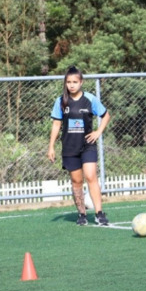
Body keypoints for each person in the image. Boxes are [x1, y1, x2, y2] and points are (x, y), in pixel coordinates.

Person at [47, 66, 112, 226]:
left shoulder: (90, 99)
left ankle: (99, 213)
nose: (71, 85)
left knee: (91, 176)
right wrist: (51, 146)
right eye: (68, 82)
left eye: (75, 82)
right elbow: (56, 124)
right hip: (69, 147)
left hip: (87, 145)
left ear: (81, 82)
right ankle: (82, 214)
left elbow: (106, 115)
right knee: (76, 181)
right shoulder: (61, 100)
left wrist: (98, 132)